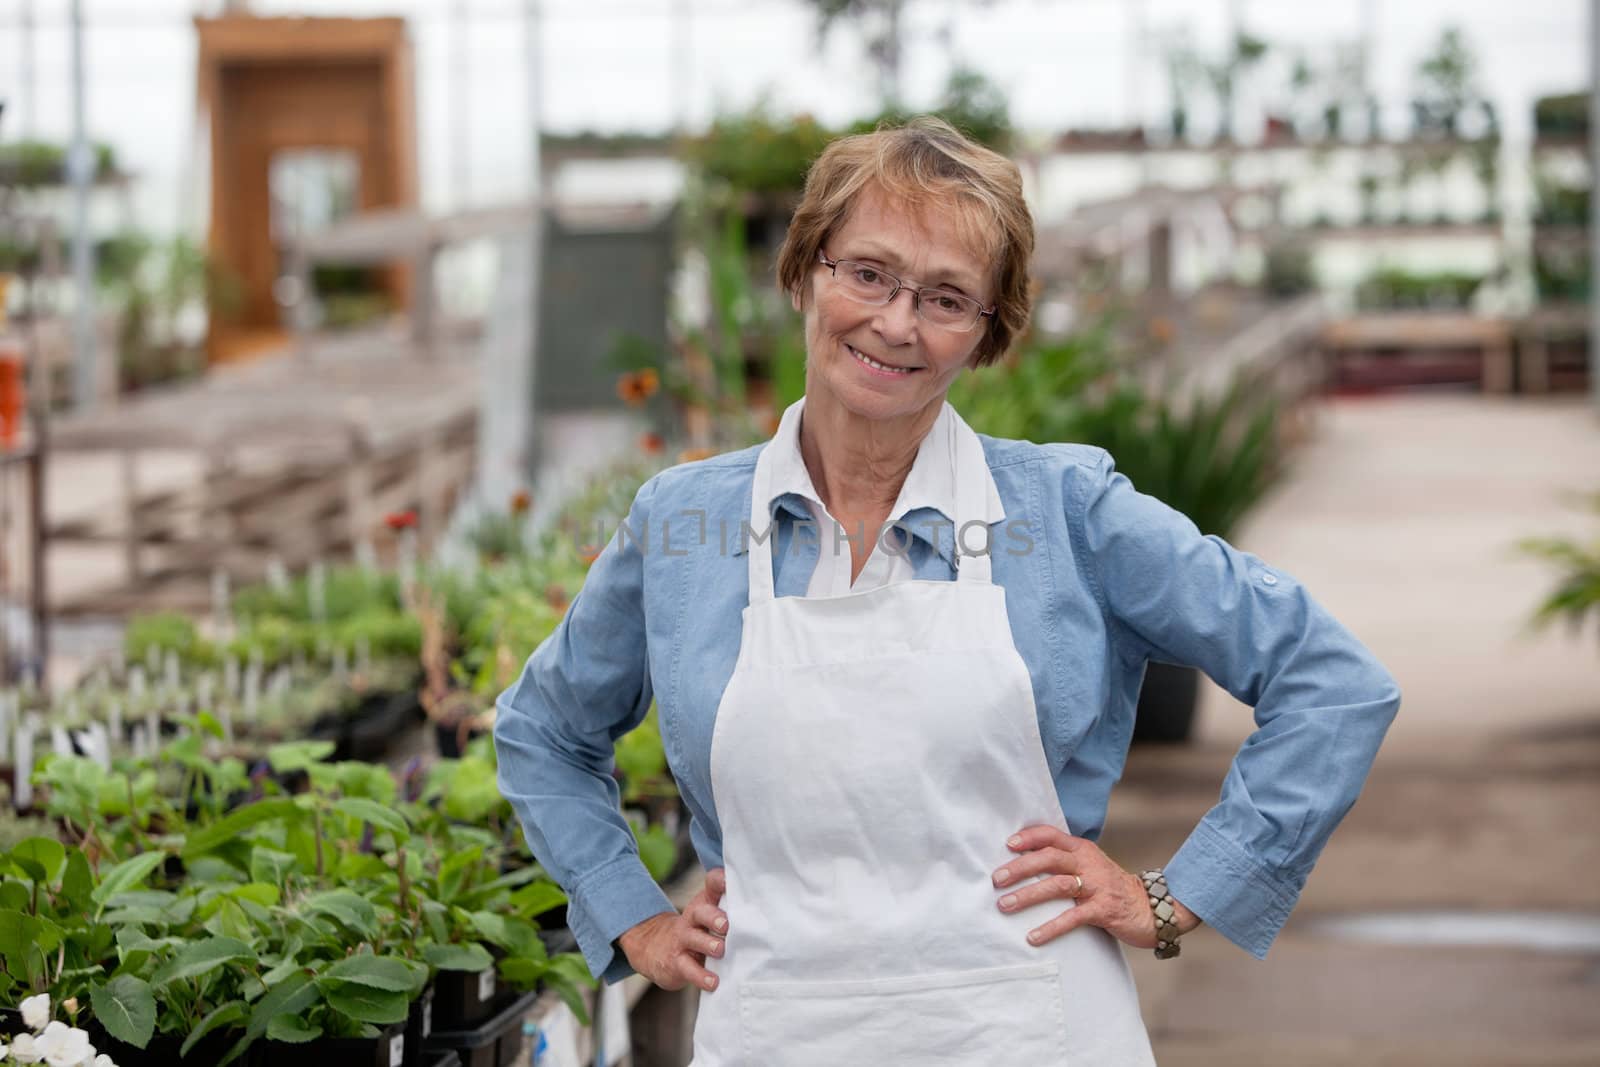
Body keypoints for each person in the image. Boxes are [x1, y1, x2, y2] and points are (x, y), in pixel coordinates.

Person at [495, 117, 1400, 1064]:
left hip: (1035, 1034)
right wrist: (630, 913)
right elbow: (542, 730)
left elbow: (1330, 680)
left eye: (947, 297)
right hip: (778, 1033)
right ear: (806, 270)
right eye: (869, 273)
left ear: (986, 334)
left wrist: (1176, 897)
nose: (896, 323)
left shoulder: (1068, 515)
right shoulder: (685, 526)